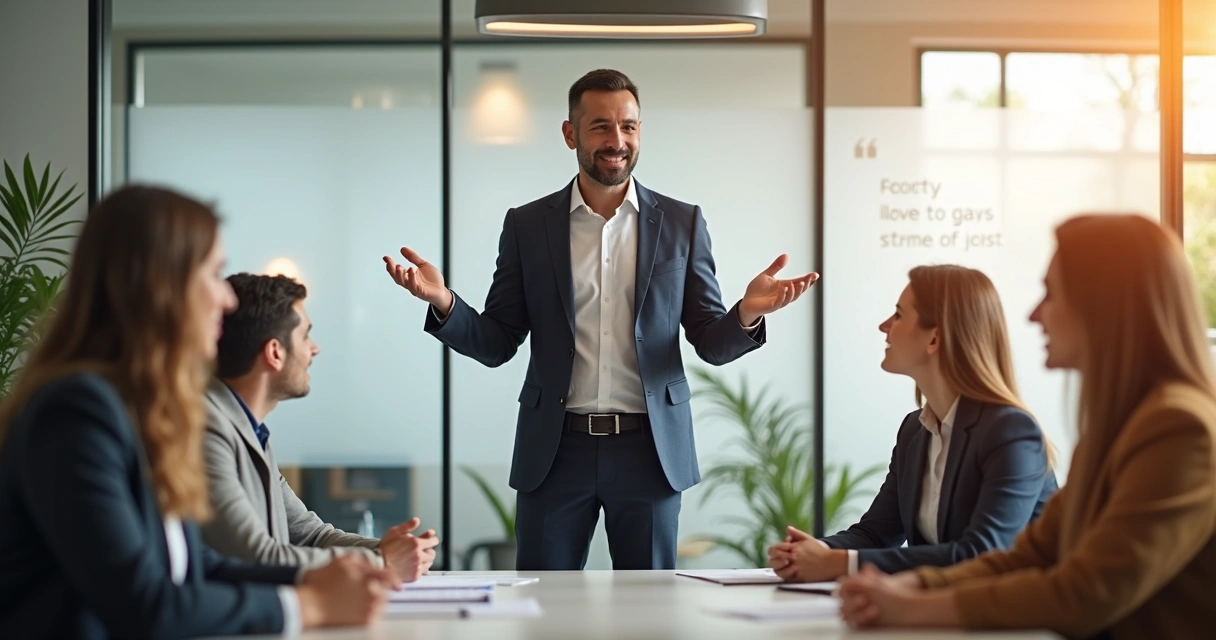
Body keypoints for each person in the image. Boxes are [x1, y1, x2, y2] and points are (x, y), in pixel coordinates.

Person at [383, 68, 817, 570]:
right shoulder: (527, 225)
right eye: (601, 127)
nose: (617, 141)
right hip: (555, 450)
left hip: (650, 452)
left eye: (628, 126)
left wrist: (746, 314)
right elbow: (498, 342)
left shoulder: (682, 222)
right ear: (570, 134)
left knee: (649, 610)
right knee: (543, 606)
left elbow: (710, 341)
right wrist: (444, 303)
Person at [0, 186, 389, 638]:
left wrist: (315, 577)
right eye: (213, 273)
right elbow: (145, 602)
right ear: (159, 286)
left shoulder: (142, 410)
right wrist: (307, 604)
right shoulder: (77, 412)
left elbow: (192, 567)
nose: (226, 300)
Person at [838, 215, 1216, 640]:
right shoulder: (1119, 427)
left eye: (1052, 293)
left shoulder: (1180, 428)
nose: (1035, 314)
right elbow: (1033, 553)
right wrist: (913, 584)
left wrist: (914, 609)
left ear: (1106, 304)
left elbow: (1086, 593)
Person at [768, 265, 1057, 582]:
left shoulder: (1011, 432)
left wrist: (838, 563)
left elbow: (982, 553)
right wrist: (813, 552)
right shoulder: (914, 431)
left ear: (934, 338)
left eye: (898, 314)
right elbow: (876, 534)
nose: (883, 326)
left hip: (1016, 625)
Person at [201, 273, 439, 585]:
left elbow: (310, 535)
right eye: (305, 337)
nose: (314, 349)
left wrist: (391, 550)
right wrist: (381, 560)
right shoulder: (206, 429)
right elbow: (256, 555)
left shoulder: (251, 431)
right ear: (275, 352)